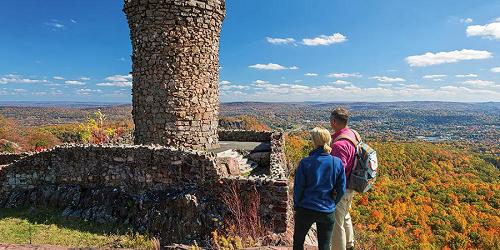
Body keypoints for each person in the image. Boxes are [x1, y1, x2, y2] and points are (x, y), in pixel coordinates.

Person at [293, 127, 346, 250]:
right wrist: (333, 203)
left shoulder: (305, 163)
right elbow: (342, 189)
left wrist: (297, 206)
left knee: (298, 241)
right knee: (325, 245)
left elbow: (298, 189)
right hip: (327, 210)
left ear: (314, 141)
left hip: (306, 208)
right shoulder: (337, 163)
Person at [330, 107, 359, 250]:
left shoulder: (339, 145)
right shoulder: (353, 134)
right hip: (351, 185)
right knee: (345, 215)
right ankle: (350, 244)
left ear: (334, 121)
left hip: (342, 188)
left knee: (337, 224)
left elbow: (337, 171)